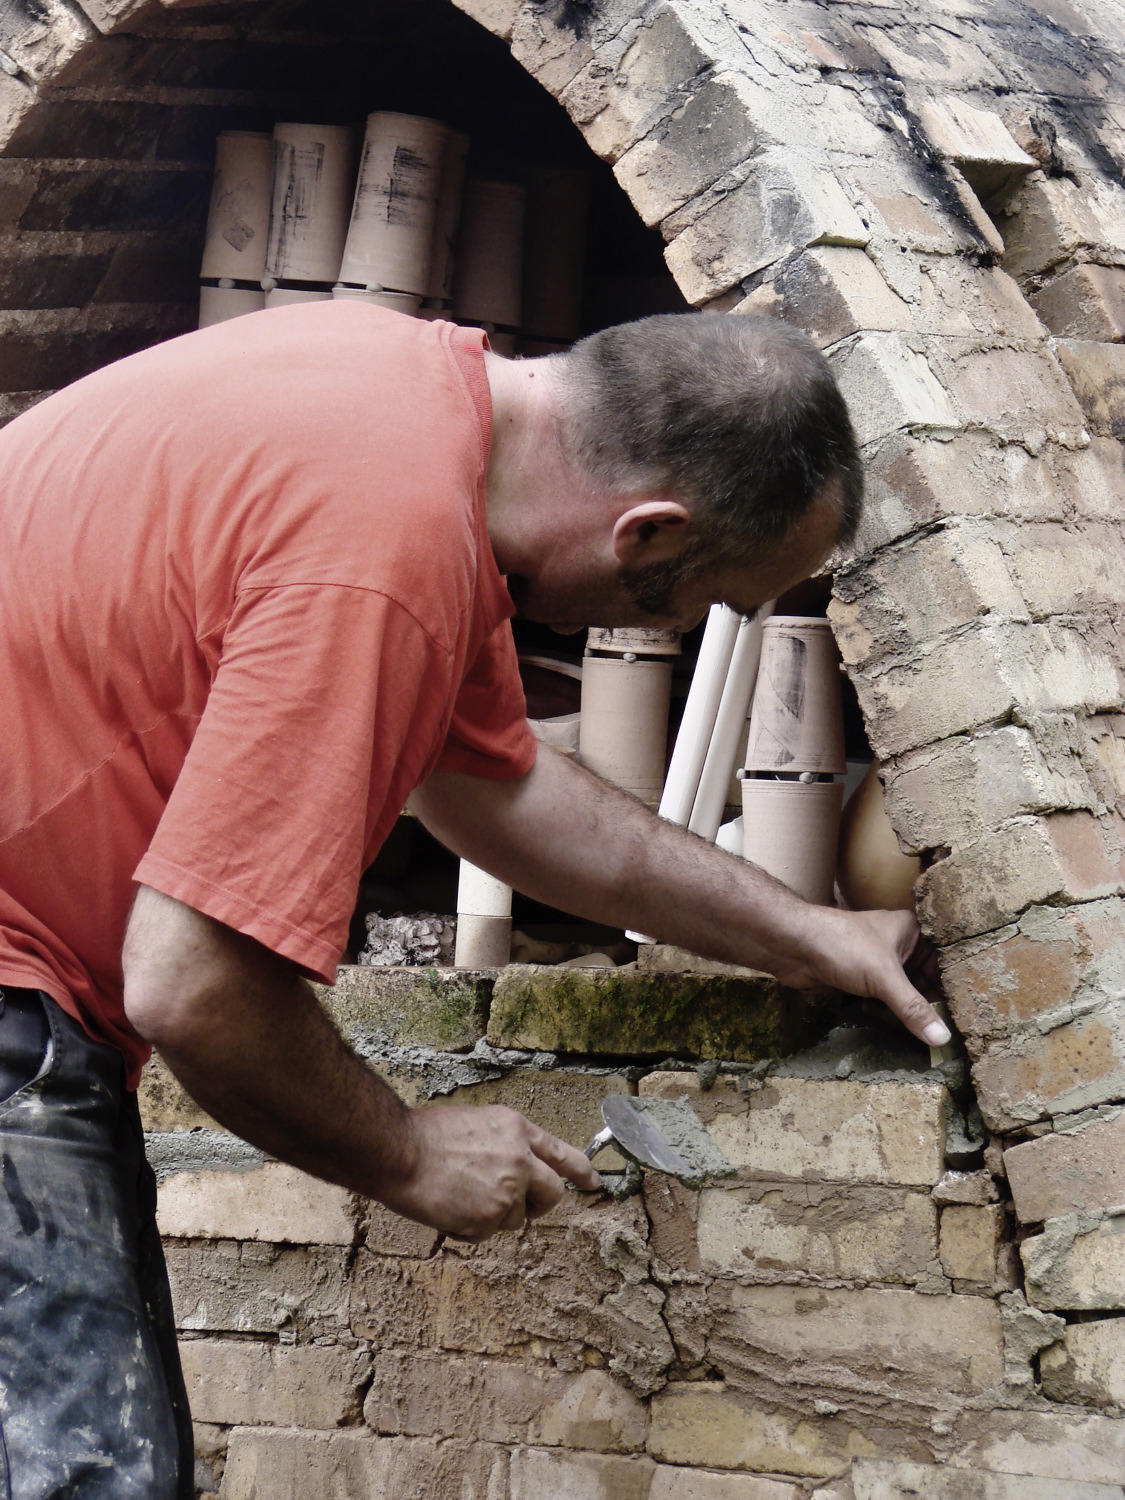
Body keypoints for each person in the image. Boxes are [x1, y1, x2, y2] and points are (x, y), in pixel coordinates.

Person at [0, 304, 947, 1496]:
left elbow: (495, 791)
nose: (666, 630)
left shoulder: (403, 405)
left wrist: (808, 934)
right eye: (695, 602)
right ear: (649, 529)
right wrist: (406, 1153)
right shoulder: (384, 558)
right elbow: (193, 985)